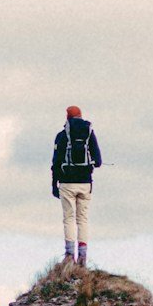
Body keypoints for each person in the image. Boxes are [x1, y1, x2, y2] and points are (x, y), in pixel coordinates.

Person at [50, 104, 102, 267]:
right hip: (85, 183)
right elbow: (98, 161)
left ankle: (69, 255)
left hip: (67, 182)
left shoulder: (62, 135)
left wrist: (54, 184)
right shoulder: (89, 133)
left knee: (69, 218)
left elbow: (56, 162)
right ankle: (83, 258)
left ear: (67, 117)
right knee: (83, 219)